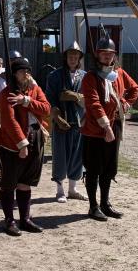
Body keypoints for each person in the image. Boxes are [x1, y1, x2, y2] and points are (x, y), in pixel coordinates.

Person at [81, 37, 138, 221]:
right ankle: (93, 206)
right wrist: (106, 127)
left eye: (110, 53)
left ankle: (105, 204)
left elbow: (135, 89)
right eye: (104, 53)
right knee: (93, 168)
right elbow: (94, 104)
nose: (107, 57)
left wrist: (125, 103)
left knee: (109, 168)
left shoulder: (119, 73)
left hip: (115, 125)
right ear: (98, 55)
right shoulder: (90, 77)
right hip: (95, 128)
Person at [0, 58, 51, 236]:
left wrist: (26, 101)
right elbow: (9, 121)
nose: (26, 74)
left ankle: (25, 219)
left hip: (35, 138)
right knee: (9, 184)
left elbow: (46, 109)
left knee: (26, 182)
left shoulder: (34, 89)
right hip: (13, 144)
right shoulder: (6, 94)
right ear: (14, 74)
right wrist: (22, 144)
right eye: (22, 71)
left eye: (28, 71)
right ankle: (9, 220)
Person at [45, 42, 87, 203]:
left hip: (79, 121)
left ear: (79, 58)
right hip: (61, 121)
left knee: (77, 155)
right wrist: (56, 116)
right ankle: (60, 190)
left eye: (76, 56)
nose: (73, 59)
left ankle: (73, 189)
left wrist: (77, 97)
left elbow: (89, 98)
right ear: (65, 57)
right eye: (70, 56)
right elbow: (50, 98)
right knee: (60, 155)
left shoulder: (85, 76)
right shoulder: (54, 76)